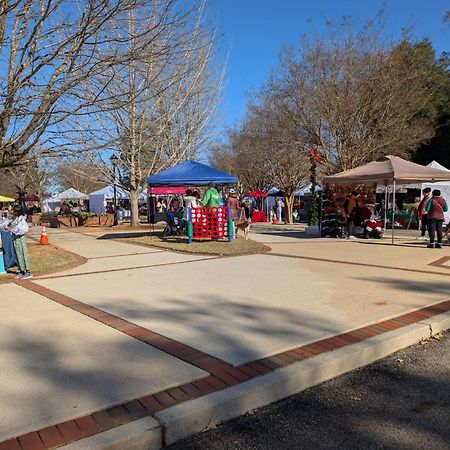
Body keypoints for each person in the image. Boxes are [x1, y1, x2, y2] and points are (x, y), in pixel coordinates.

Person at [9, 205, 32, 279]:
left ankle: (27, 271)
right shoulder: (13, 219)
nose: (11, 211)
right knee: (18, 254)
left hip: (20, 239)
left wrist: (18, 230)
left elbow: (26, 229)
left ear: (17, 212)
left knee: (23, 254)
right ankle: (21, 271)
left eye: (13, 210)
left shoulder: (21, 219)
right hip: (15, 239)